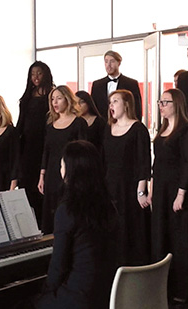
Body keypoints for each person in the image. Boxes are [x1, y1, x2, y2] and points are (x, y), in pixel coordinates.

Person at [11, 140, 118, 309]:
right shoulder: (109, 207)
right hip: (108, 304)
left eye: (61, 165)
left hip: (81, 307)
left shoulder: (68, 209)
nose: (59, 169)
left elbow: (58, 267)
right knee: (40, 303)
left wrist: (45, 292)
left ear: (70, 171)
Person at [146, 89, 188, 302]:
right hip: (161, 189)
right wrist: (152, 189)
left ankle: (183, 288)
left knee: (180, 236)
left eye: (166, 102)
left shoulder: (187, 131)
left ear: (176, 104)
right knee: (162, 234)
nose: (161, 105)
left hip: (178, 190)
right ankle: (164, 286)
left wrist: (181, 194)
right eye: (160, 101)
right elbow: (156, 164)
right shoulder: (162, 130)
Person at [103, 89, 151, 266]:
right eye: (110, 102)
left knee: (130, 229)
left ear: (127, 104)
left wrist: (140, 192)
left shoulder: (138, 129)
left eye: (115, 101)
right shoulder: (108, 128)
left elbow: (143, 162)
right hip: (110, 186)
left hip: (129, 187)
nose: (111, 105)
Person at [38, 86, 88, 233]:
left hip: (71, 173)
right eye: (52, 99)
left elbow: (83, 152)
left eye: (59, 98)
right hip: (52, 173)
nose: (55, 102)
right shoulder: (50, 124)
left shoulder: (79, 123)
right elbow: (46, 151)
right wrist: (42, 176)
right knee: (50, 211)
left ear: (67, 99)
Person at [18, 62, 55, 222]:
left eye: (39, 73)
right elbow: (21, 122)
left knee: (43, 185)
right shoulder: (27, 96)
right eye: (33, 74)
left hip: (44, 143)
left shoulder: (51, 95)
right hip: (28, 147)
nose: (36, 77)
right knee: (27, 184)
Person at [90, 50, 142, 120]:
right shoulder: (97, 85)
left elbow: (137, 109)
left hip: (124, 126)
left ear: (119, 63)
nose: (108, 65)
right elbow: (93, 109)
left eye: (112, 61)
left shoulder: (131, 83)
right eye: (106, 61)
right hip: (102, 127)